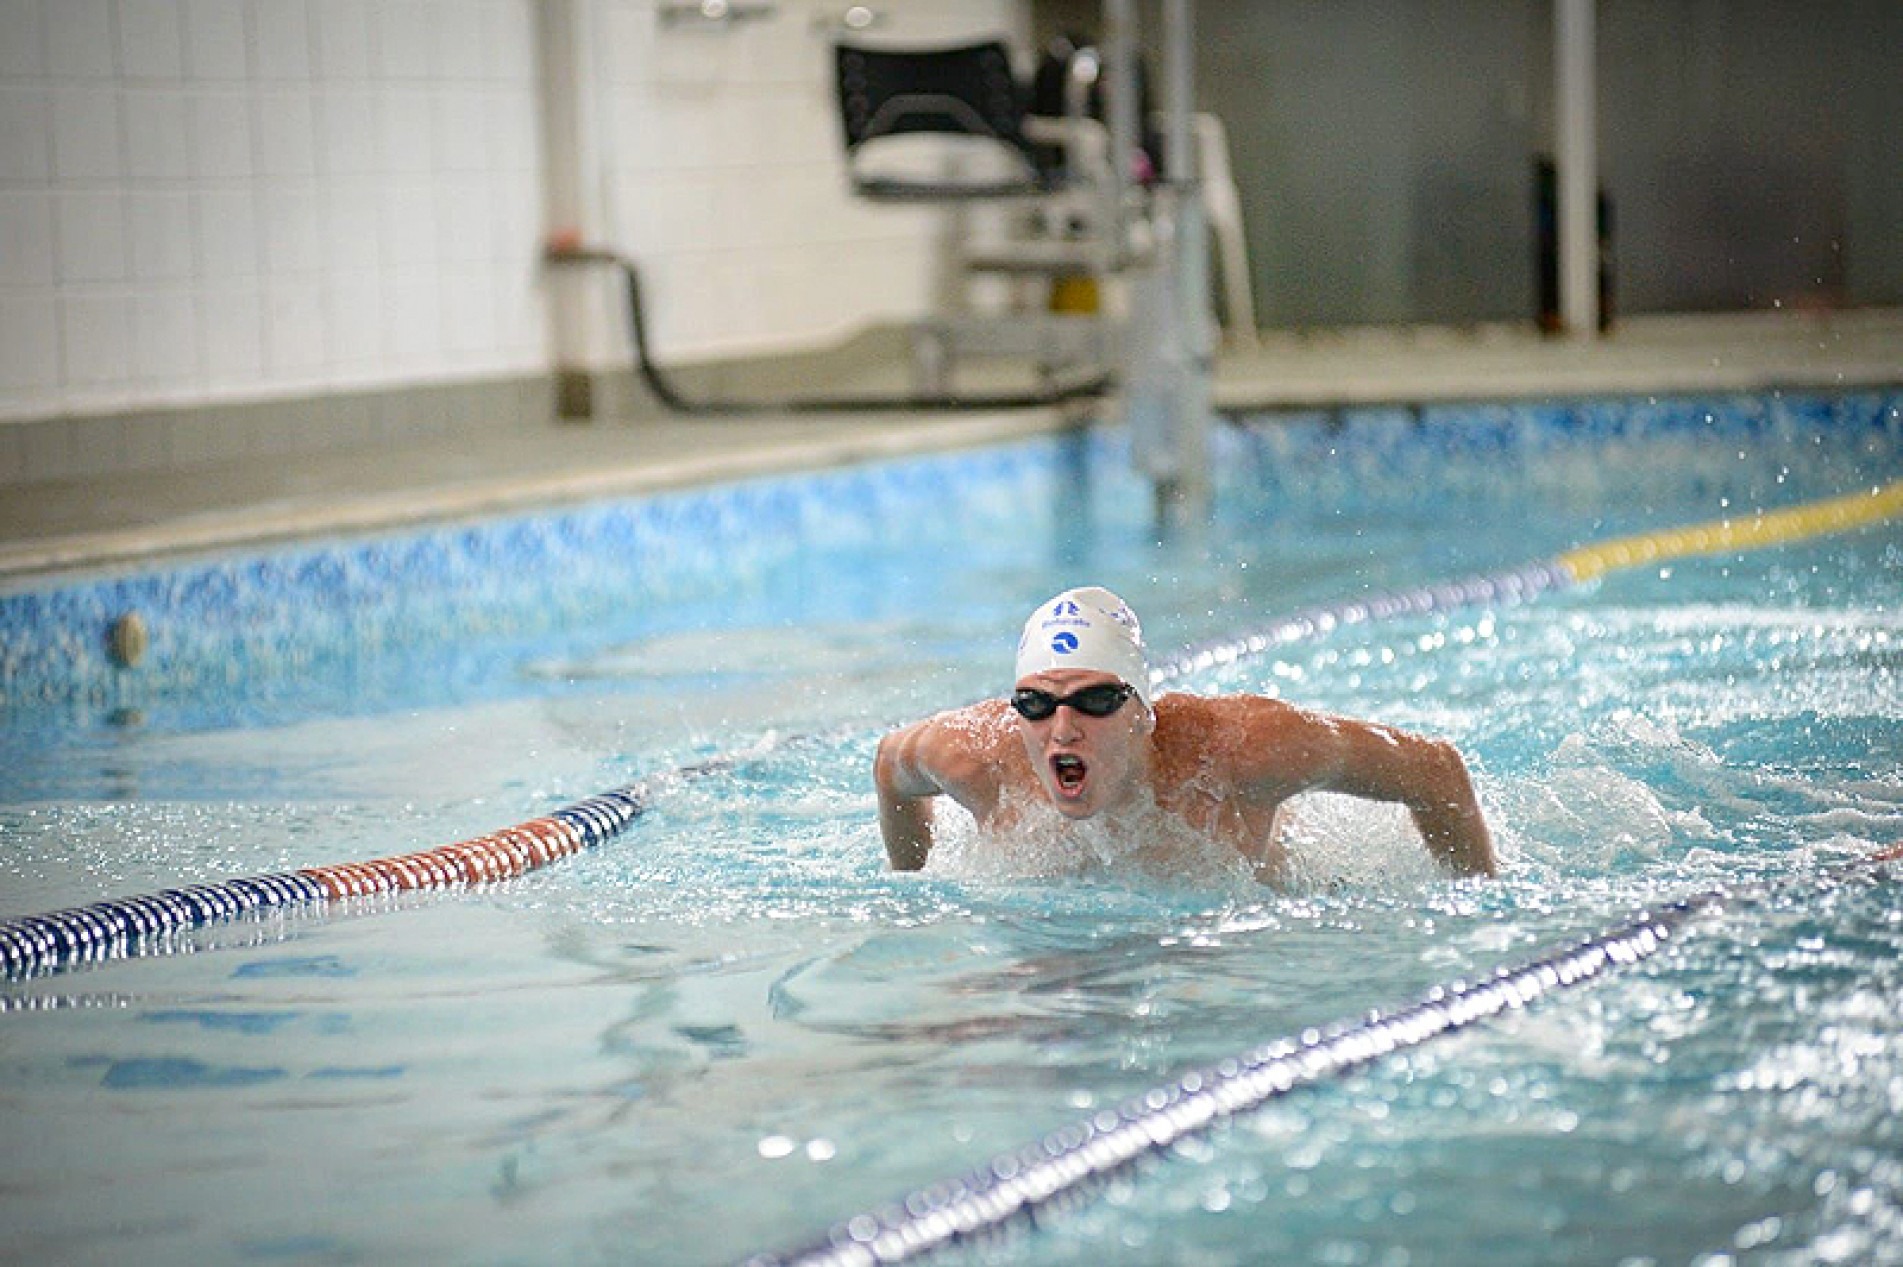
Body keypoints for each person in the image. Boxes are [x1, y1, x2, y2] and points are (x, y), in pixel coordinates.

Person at [874, 586, 1497, 884]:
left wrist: (1477, 905)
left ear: (1142, 711)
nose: (1062, 727)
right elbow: (888, 767)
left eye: (1094, 700)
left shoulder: (1242, 753)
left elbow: (1436, 770)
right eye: (1036, 704)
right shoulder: (974, 758)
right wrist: (912, 887)